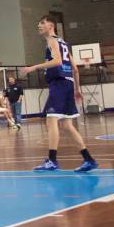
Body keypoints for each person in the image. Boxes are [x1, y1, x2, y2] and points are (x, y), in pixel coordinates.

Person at [20, 14, 97, 173]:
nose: (39, 26)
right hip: (68, 84)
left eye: (42, 23)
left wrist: (34, 67)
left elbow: (57, 62)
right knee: (67, 125)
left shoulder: (52, 41)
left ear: (51, 26)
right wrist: (76, 89)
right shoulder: (64, 43)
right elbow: (75, 69)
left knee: (51, 121)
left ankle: (52, 160)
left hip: (59, 84)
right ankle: (89, 159)